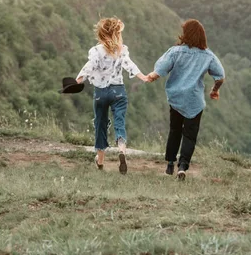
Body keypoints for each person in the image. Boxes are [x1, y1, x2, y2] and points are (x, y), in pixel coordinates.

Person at [146, 19, 225, 180]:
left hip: (176, 98)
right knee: (190, 135)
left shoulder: (175, 51)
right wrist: (214, 90)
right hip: (194, 101)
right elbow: (220, 76)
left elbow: (160, 69)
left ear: (186, 34)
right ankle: (182, 167)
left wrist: (151, 76)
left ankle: (169, 164)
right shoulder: (208, 56)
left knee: (174, 130)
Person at [76, 17, 148, 174]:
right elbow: (129, 64)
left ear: (101, 34)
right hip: (118, 91)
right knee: (119, 123)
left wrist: (78, 80)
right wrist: (143, 76)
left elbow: (89, 67)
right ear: (117, 34)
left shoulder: (95, 51)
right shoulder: (121, 49)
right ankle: (121, 150)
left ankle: (100, 161)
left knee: (100, 124)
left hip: (101, 93)